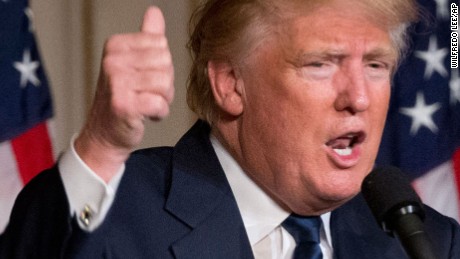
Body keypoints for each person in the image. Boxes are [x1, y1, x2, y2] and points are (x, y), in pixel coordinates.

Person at [2, 0, 460, 258]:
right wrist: (100, 148)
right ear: (230, 84)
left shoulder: (423, 243)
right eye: (321, 64)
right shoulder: (119, 218)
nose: (358, 97)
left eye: (376, 65)